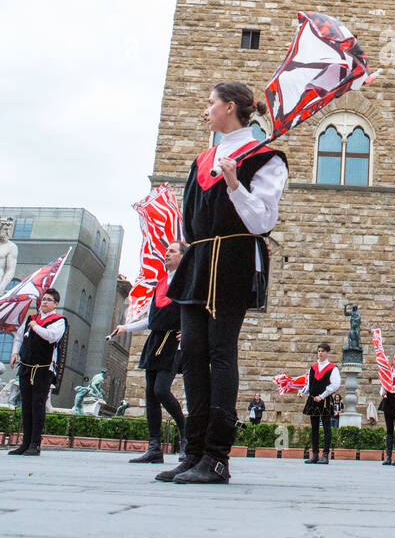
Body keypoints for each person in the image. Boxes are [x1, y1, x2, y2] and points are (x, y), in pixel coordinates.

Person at [161, 81, 288, 485]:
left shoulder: (266, 158)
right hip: (198, 261)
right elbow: (190, 218)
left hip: (231, 261)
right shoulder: (203, 158)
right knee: (193, 356)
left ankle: (217, 458)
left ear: (230, 107)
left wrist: (235, 184)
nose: (205, 111)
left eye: (210, 103)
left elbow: (263, 221)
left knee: (219, 353)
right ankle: (192, 451)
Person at [111, 240, 187, 464]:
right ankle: (154, 448)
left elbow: (195, 311)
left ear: (183, 257)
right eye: (166, 251)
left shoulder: (186, 283)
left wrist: (190, 332)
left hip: (173, 341)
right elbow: (151, 320)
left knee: (162, 390)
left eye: (172, 251)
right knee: (150, 395)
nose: (167, 254)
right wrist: (126, 327)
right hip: (155, 341)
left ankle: (186, 435)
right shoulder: (161, 283)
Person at [8, 287, 67, 456]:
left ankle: (35, 444)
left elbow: (52, 337)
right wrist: (14, 353)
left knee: (38, 404)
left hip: (42, 369)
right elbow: (19, 337)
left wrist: (35, 327)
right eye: (44, 299)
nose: (45, 302)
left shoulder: (59, 320)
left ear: (55, 304)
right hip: (27, 367)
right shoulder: (32, 319)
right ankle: (25, 443)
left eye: (49, 300)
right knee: (25, 404)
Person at [300, 343, 341, 464]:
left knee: (327, 428)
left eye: (322, 351)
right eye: (319, 351)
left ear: (327, 353)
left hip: (324, 401)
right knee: (314, 428)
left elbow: (335, 385)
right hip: (313, 400)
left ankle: (325, 455)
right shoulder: (312, 368)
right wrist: (302, 392)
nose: (320, 353)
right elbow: (308, 384)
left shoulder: (332, 368)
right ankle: (315, 455)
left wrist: (322, 396)